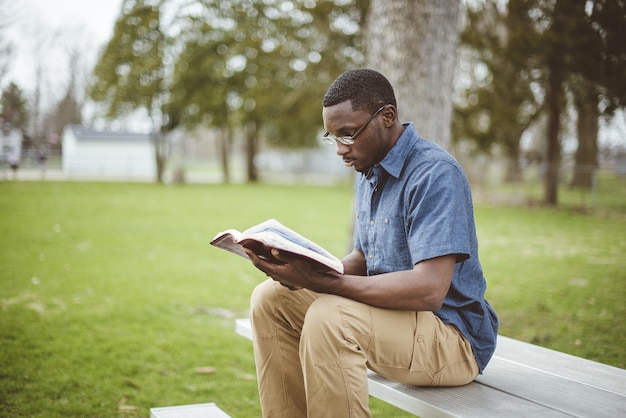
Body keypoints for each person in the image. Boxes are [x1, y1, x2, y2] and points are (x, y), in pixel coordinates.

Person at [242, 68, 499, 418]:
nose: (339, 150)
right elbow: (366, 257)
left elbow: (429, 290)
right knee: (270, 299)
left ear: (387, 117)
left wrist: (329, 283)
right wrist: (303, 270)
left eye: (348, 134)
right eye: (332, 137)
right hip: (397, 323)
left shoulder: (434, 173)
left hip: (452, 339)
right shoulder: (369, 170)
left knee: (331, 317)